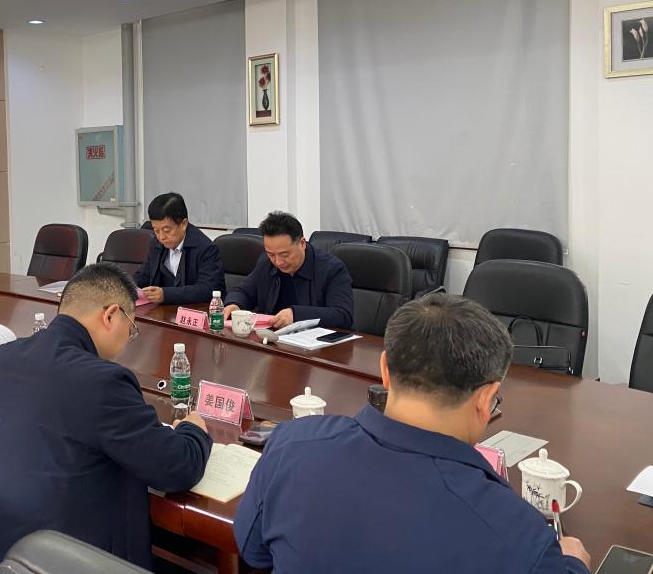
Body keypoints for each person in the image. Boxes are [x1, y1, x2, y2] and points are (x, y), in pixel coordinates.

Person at [234, 293, 591, 574]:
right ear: (486, 398)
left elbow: (252, 550)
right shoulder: (518, 532)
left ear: (385, 371)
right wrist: (573, 563)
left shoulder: (293, 444)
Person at [0, 263, 213, 574]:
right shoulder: (103, 380)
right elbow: (177, 468)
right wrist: (194, 430)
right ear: (111, 315)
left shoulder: (0, 358)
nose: (128, 339)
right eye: (131, 328)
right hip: (52, 564)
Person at [223, 211, 352, 329]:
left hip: (314, 342)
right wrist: (235, 304)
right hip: (273, 338)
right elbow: (244, 291)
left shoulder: (331, 269)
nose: (278, 262)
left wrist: (296, 314)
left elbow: (342, 315)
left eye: (285, 254)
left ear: (302, 243)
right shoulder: (266, 262)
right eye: (271, 254)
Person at [133, 192, 225, 305]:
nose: (161, 237)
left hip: (194, 310)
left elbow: (207, 289)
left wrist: (166, 295)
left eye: (167, 230)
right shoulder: (156, 244)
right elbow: (144, 275)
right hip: (163, 310)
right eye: (156, 230)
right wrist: (127, 287)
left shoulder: (206, 249)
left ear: (183, 224)